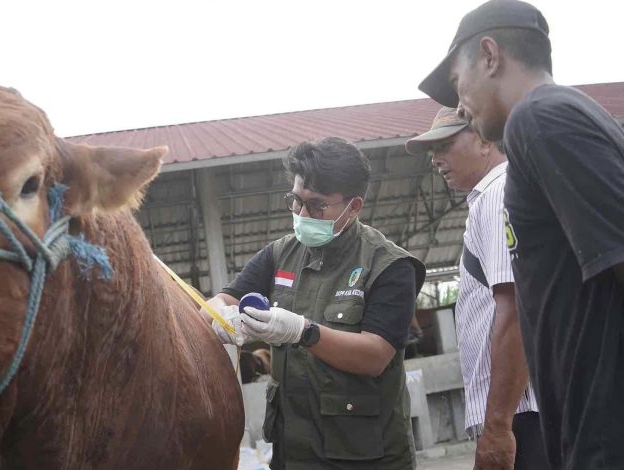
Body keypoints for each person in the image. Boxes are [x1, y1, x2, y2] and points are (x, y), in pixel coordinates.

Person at [419, 1, 624, 468]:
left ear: (490, 55)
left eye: (456, 83)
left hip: (605, 427)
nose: (460, 104)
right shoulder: (558, 117)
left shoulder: (541, 118)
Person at [208, 136, 425, 470]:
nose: (302, 214)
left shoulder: (389, 265)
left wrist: (302, 332)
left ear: (354, 206)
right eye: (296, 201)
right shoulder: (280, 253)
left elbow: (376, 356)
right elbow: (224, 298)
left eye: (317, 205)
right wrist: (219, 316)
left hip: (366, 458)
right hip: (294, 455)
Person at [406, 106, 548, 469]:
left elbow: (515, 309)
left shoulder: (498, 195)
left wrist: (498, 425)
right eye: (431, 153)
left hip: (524, 412)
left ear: (485, 139)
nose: (436, 160)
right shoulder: (500, 193)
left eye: (446, 145)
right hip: (522, 409)